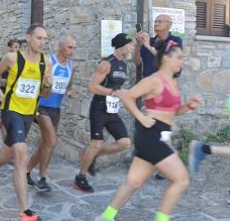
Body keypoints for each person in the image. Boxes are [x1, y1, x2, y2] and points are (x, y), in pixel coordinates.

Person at [95, 39, 201, 221]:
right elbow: (127, 96)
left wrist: (188, 106)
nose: (181, 62)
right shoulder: (153, 80)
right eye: (179, 58)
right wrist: (141, 116)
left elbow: (171, 112)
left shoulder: (172, 83)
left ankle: (106, 217)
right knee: (181, 179)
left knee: (133, 182)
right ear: (166, 59)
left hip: (159, 133)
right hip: (151, 134)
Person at [0, 24, 52, 221]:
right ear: (28, 38)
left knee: (5, 155)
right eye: (39, 38)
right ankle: (25, 211)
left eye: (45, 39)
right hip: (10, 109)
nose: (42, 42)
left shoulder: (45, 63)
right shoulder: (12, 58)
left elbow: (45, 93)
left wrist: (48, 83)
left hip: (28, 114)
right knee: (21, 156)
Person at [73, 33, 133, 194]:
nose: (131, 47)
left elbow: (117, 88)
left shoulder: (124, 65)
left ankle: (90, 156)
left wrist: (122, 92)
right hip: (99, 108)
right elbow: (92, 87)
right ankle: (81, 177)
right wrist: (113, 92)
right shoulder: (107, 64)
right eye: (129, 44)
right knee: (96, 143)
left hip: (112, 110)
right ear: (122, 45)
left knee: (125, 142)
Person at [135, 14, 183, 180]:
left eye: (159, 21)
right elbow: (136, 62)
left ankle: (156, 162)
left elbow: (167, 61)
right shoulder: (151, 41)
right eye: (155, 21)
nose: (156, 24)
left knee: (164, 127)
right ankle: (152, 161)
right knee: (154, 126)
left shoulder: (174, 41)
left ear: (169, 24)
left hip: (166, 89)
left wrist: (148, 45)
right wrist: (138, 45)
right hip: (150, 89)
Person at [27, 35, 77, 192]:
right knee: (52, 141)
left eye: (74, 48)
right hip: (41, 106)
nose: (72, 51)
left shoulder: (71, 65)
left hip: (56, 109)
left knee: (45, 144)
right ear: (60, 47)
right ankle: (42, 178)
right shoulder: (49, 62)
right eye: (70, 47)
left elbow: (68, 85)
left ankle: (25, 171)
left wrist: (69, 91)